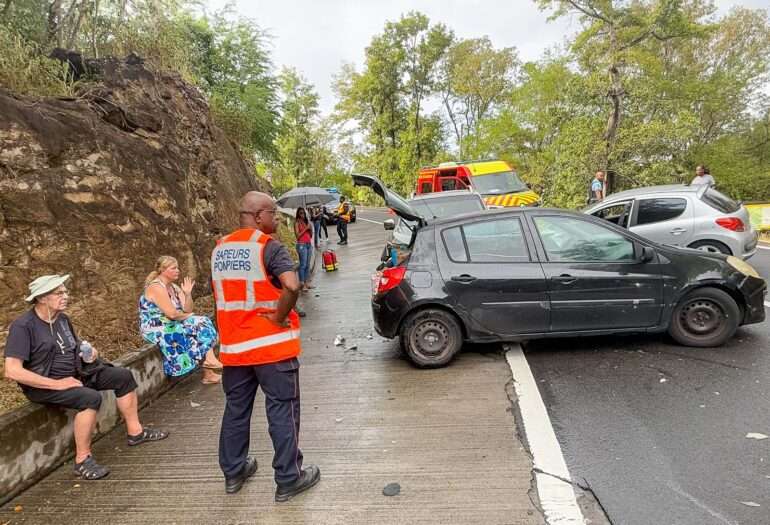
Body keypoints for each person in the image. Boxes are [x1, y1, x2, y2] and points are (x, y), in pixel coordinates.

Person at [3, 274, 169, 480]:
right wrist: (57, 384)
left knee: (122, 376)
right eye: (59, 293)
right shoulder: (23, 326)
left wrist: (89, 353)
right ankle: (82, 460)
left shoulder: (62, 319)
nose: (66, 296)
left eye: (65, 291)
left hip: (76, 373)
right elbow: (12, 370)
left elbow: (75, 345)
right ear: (42, 298)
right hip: (44, 385)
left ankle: (136, 432)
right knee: (90, 398)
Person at [212, 191, 320, 501]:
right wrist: (279, 315)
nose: (276, 218)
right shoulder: (268, 247)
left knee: (236, 411)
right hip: (271, 350)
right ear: (258, 216)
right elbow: (291, 285)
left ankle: (234, 472)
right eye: (273, 213)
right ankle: (289, 478)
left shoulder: (219, 250)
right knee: (282, 411)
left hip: (235, 351)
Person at [139, 256, 221, 384]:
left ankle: (209, 367)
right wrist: (189, 316)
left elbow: (187, 310)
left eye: (177, 268)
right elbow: (172, 314)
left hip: (172, 321)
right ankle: (208, 369)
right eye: (174, 268)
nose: (178, 271)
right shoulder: (156, 287)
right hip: (156, 325)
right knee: (191, 327)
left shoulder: (174, 288)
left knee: (201, 322)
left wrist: (187, 294)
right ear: (163, 270)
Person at [294, 208, 314, 292]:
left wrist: (310, 229)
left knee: (308, 265)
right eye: (301, 213)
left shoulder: (306, 222)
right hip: (302, 245)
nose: (302, 215)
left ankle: (306, 283)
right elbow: (297, 236)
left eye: (303, 213)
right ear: (298, 214)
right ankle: (302, 284)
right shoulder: (297, 223)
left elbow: (310, 235)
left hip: (308, 244)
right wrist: (306, 228)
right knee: (303, 265)